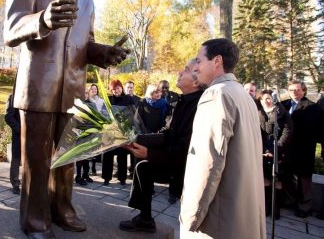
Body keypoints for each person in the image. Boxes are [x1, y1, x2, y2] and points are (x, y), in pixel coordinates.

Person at [3, 0, 129, 236]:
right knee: (36, 160)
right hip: (38, 87)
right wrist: (43, 19)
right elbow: (11, 29)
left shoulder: (86, 0)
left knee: (67, 157)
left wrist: (104, 54)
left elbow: (85, 45)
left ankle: (62, 208)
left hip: (72, 89)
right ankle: (35, 221)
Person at [180, 38, 266, 238]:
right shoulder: (243, 95)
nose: (196, 68)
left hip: (218, 220)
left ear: (216, 61)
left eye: (199, 61)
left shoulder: (216, 95)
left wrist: (190, 216)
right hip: (243, 214)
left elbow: (208, 162)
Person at [119, 59, 203, 233]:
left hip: (186, 166)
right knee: (142, 167)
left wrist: (149, 153)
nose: (180, 72)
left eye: (185, 70)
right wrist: (137, 139)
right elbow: (168, 132)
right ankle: (145, 219)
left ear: (196, 81)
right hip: (174, 157)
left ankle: (145, 218)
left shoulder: (198, 106)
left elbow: (184, 147)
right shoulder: (182, 101)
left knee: (144, 165)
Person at [281, 80, 321, 218]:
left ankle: (305, 207)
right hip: (287, 150)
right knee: (288, 177)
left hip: (304, 149)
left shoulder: (312, 107)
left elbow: (314, 129)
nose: (294, 92)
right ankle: (291, 201)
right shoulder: (283, 105)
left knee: (304, 180)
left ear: (304, 91)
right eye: (291, 90)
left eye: (298, 90)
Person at [258, 89, 292, 219]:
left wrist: (275, 150)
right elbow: (257, 134)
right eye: (262, 99)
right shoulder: (258, 114)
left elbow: (287, 133)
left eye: (268, 98)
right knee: (265, 180)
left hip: (279, 153)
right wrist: (264, 150)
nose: (266, 101)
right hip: (264, 153)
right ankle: (266, 207)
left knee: (277, 181)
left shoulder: (282, 114)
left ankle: (275, 208)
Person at [101, 79, 135, 186]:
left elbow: (133, 114)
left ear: (121, 88)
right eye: (114, 89)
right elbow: (103, 114)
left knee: (122, 155)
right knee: (108, 154)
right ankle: (106, 178)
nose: (116, 90)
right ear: (111, 90)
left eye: (118, 88)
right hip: (110, 132)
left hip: (123, 132)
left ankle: (122, 178)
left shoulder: (128, 99)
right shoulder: (108, 100)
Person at [5, 94, 21, 195]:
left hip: (34, 135)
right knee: (16, 159)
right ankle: (15, 184)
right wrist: (20, 129)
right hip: (19, 135)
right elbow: (8, 117)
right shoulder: (13, 97)